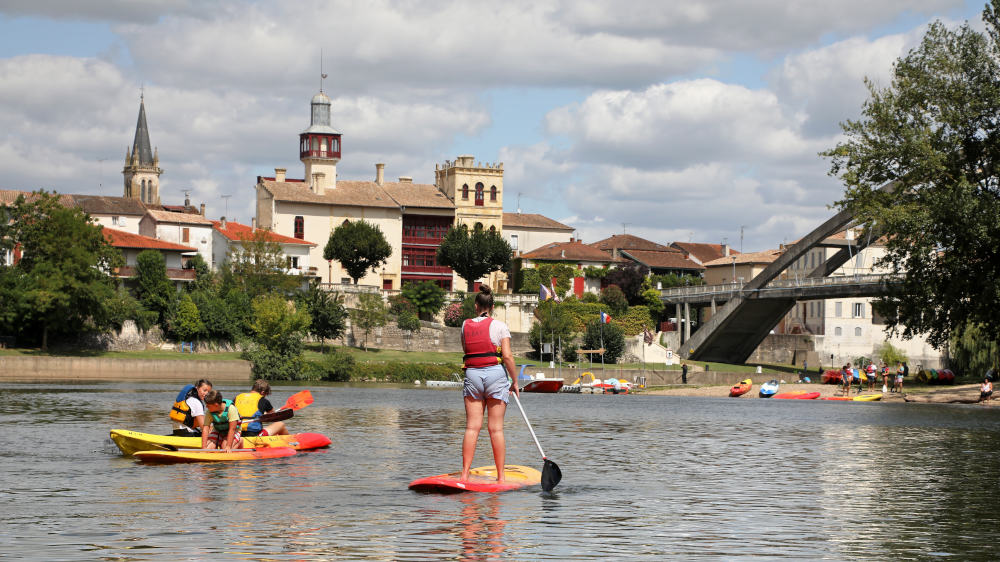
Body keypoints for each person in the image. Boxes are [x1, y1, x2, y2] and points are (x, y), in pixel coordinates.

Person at [460, 285, 518, 483]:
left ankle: (465, 474)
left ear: (476, 306)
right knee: (496, 429)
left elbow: (466, 348)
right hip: (495, 376)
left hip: (473, 375)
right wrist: (515, 381)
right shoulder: (500, 326)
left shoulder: (464, 325)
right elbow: (508, 356)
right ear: (492, 307)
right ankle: (501, 478)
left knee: (471, 428)